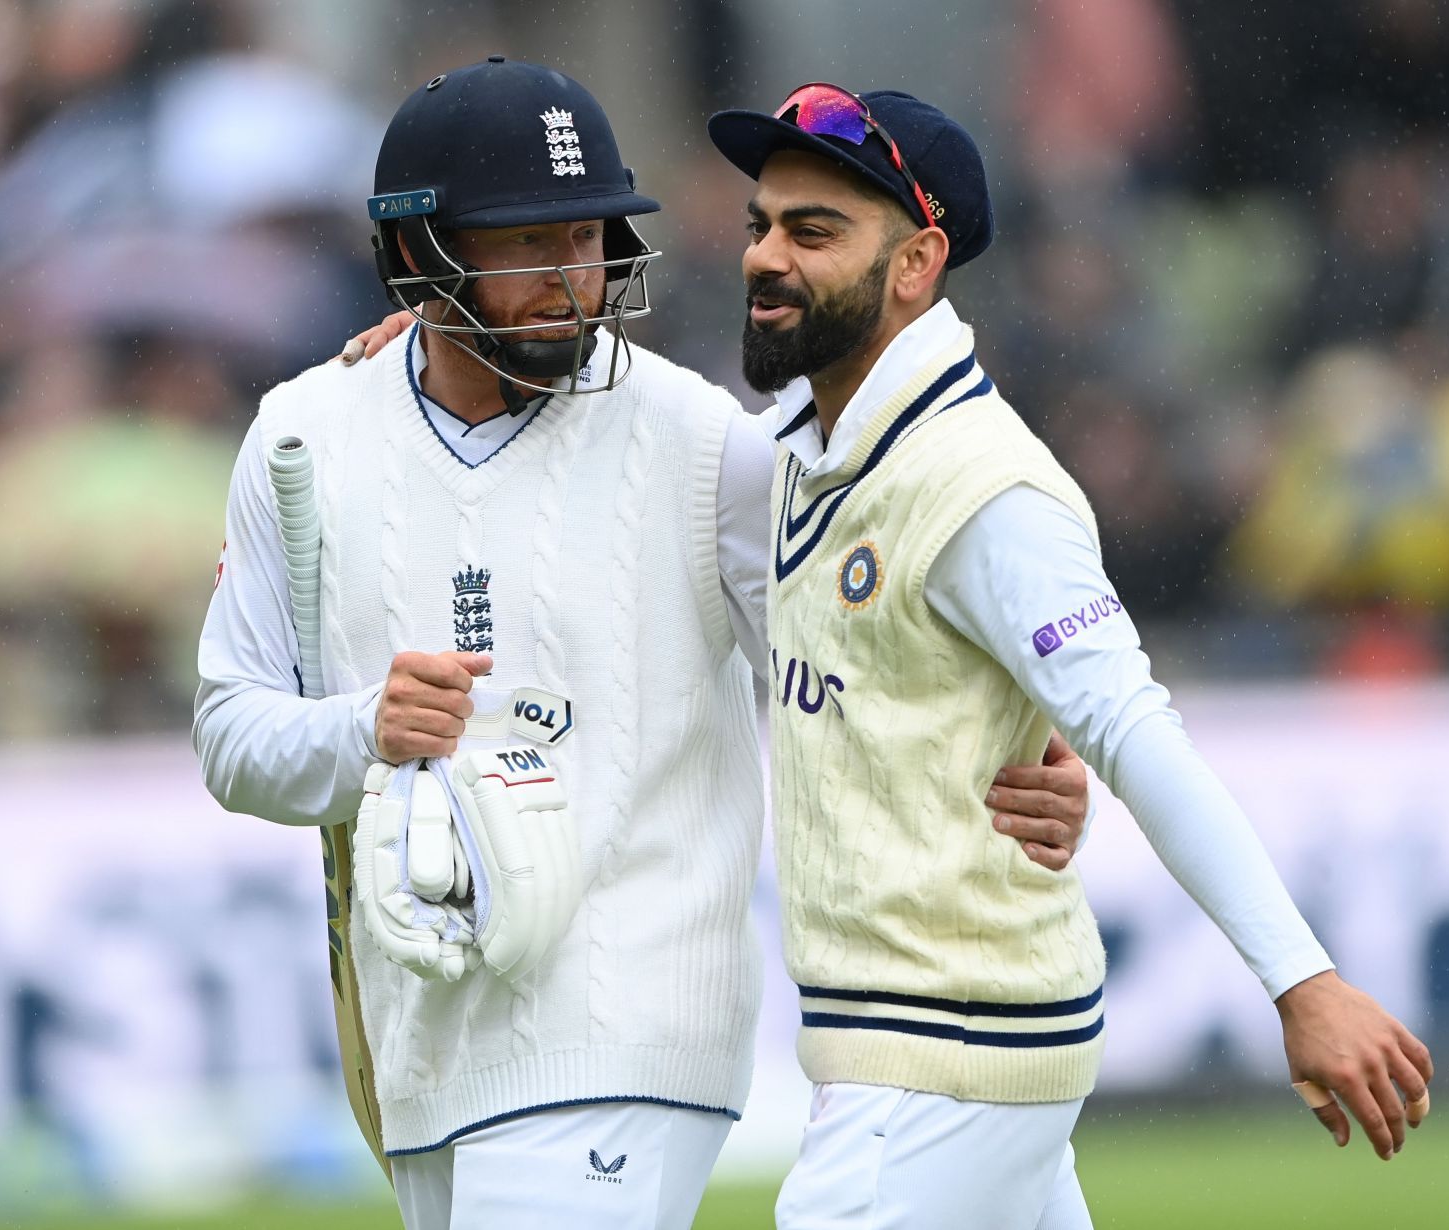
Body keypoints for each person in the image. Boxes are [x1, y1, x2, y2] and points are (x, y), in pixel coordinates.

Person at [193, 59, 1091, 1230]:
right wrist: (361, 729)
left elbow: (858, 687)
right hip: (424, 1038)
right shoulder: (301, 436)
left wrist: (1014, 759)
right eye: (530, 245)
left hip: (637, 1021)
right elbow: (230, 735)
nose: (576, 281)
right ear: (417, 259)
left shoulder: (709, 444)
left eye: (591, 237)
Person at [703, 84, 1435, 1229]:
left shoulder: (985, 486)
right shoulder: (802, 449)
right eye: (761, 224)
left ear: (916, 263)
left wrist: (1303, 980)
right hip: (937, 1049)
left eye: (813, 230)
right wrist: (420, 361)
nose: (766, 257)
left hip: (945, 1053)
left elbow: (1136, 732)